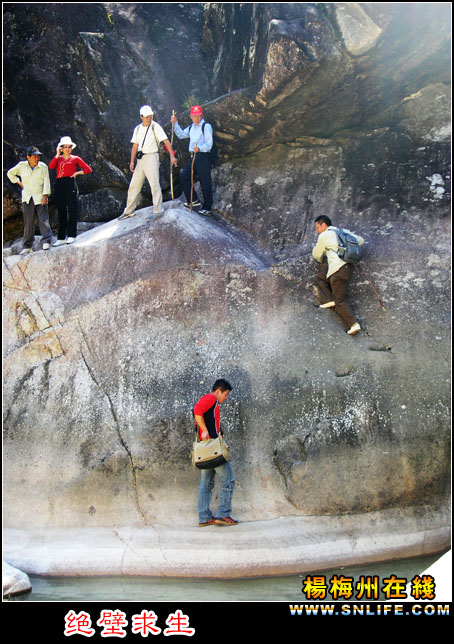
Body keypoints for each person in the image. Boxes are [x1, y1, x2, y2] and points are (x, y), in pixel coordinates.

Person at [119, 105, 177, 220]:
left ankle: (158, 209)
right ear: (141, 117)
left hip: (152, 156)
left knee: (154, 184)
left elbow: (165, 141)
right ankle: (129, 210)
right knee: (134, 184)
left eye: (150, 116)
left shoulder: (155, 127)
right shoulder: (138, 129)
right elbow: (135, 146)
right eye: (146, 117)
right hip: (141, 159)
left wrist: (172, 156)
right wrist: (132, 161)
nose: (149, 119)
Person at [193, 379, 237, 527]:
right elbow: (197, 410)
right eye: (226, 394)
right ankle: (223, 514)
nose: (226, 398)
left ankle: (204, 517)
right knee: (228, 480)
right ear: (219, 391)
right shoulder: (211, 398)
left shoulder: (213, 403)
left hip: (206, 451)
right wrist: (205, 430)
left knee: (206, 483)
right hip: (213, 450)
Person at [312, 215, 364, 335]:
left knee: (340, 300)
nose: (317, 231)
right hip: (348, 266)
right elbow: (360, 241)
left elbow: (317, 254)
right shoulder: (342, 231)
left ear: (323, 225)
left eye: (317, 227)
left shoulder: (324, 235)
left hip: (337, 269)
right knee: (320, 277)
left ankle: (353, 324)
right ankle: (328, 300)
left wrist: (321, 258)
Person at [7, 146, 52, 255]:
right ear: (28, 157)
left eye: (38, 157)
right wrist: (19, 182)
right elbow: (10, 173)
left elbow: (47, 181)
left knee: (43, 219)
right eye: (35, 157)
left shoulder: (43, 167)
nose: (37, 159)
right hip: (27, 197)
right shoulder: (22, 166)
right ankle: (27, 246)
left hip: (40, 196)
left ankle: (46, 241)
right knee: (28, 222)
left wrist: (45, 196)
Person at [49, 136, 92, 245]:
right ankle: (61, 238)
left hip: (70, 182)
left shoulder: (75, 158)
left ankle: (72, 235)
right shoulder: (58, 159)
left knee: (72, 209)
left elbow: (88, 169)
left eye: (69, 147)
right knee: (61, 211)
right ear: (61, 148)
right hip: (59, 184)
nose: (67, 149)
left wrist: (77, 173)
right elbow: (51, 166)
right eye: (65, 147)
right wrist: (57, 154)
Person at [171, 105, 213, 216]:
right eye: (194, 116)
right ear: (191, 116)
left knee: (205, 182)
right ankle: (193, 200)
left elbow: (209, 144)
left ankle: (207, 208)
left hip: (203, 156)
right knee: (184, 175)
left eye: (198, 116)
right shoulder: (191, 127)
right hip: (193, 156)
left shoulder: (206, 126)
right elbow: (180, 135)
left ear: (201, 115)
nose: (196, 119)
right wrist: (175, 123)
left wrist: (200, 148)